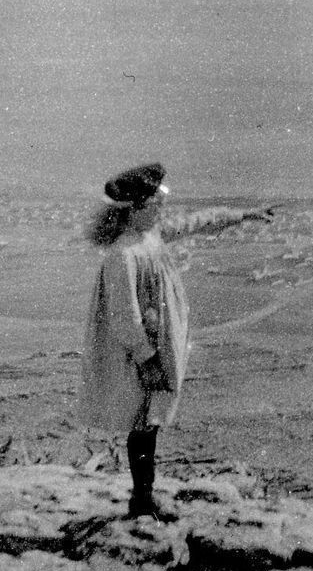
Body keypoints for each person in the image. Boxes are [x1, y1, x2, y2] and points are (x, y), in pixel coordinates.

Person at [79, 163, 271, 518]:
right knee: (142, 423)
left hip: (155, 345)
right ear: (134, 209)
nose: (161, 209)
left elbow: (196, 223)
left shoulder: (149, 237)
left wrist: (243, 215)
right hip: (140, 352)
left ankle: (144, 498)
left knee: (149, 421)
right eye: (155, 203)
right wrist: (146, 358)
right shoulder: (124, 254)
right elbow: (124, 315)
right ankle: (142, 500)